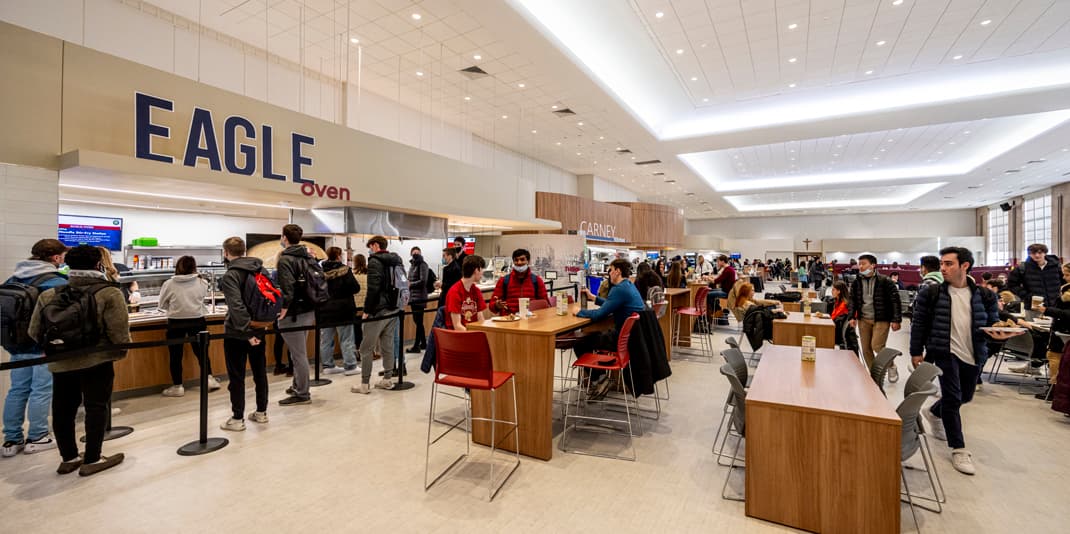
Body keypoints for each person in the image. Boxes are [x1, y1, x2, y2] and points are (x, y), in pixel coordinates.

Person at [29, 245, 130, 476]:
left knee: (63, 409)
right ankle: (92, 458)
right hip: (97, 361)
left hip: (62, 362)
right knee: (96, 407)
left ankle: (69, 458)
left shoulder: (50, 295)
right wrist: (118, 352)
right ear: (98, 265)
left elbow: (35, 332)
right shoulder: (109, 292)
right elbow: (119, 333)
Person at [910, 247, 1006, 476]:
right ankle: (959, 448)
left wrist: (997, 334)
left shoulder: (985, 296)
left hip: (973, 353)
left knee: (966, 396)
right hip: (943, 351)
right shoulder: (931, 294)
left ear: (965, 266)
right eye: (942, 263)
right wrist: (916, 351)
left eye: (949, 264)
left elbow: (992, 323)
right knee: (952, 397)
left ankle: (934, 411)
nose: (943, 268)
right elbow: (919, 323)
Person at [2, 239, 68, 457]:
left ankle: (11, 440)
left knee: (17, 390)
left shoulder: (14, 277)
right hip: (41, 345)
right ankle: (37, 437)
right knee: (41, 390)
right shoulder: (54, 282)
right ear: (56, 258)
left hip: (16, 344)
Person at [218, 237, 270, 432]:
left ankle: (238, 417)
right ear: (244, 250)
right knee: (259, 372)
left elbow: (236, 306)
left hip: (237, 332)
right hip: (259, 327)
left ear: (226, 252)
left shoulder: (231, 275)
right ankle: (261, 412)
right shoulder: (260, 269)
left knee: (237, 375)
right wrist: (256, 329)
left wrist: (247, 332)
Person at [574, 259, 646, 399]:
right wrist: (594, 298)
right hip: (632, 339)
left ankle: (600, 379)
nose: (609, 273)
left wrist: (579, 312)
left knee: (580, 343)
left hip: (621, 341)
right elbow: (612, 304)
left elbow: (599, 315)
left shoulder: (619, 289)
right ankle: (600, 378)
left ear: (617, 271)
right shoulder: (628, 286)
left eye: (610, 270)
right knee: (594, 337)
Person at [158, 255, 219, 397]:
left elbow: (162, 305)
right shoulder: (202, 282)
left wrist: (175, 307)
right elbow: (202, 299)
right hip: (197, 320)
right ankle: (209, 379)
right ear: (194, 267)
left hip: (175, 322)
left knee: (175, 355)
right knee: (202, 352)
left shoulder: (169, 283)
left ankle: (177, 386)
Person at [353, 236, 404, 394]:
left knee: (365, 348)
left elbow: (373, 289)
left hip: (378, 310)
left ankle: (364, 384)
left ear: (375, 245)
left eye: (370, 246)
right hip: (394, 307)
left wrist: (367, 311)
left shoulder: (375, 261)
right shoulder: (397, 259)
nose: (369, 249)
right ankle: (387, 379)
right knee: (387, 345)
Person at [274, 224, 318, 406]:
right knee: (298, 352)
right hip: (308, 309)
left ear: (284, 237)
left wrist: (283, 310)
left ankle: (302, 393)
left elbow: (288, 288)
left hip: (293, 313)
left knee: (298, 355)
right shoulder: (307, 256)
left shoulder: (285, 259)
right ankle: (297, 385)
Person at [849, 254, 903, 380]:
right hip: (863, 318)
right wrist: (851, 316)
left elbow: (895, 300)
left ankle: (891, 365)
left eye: (863, 263)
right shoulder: (857, 281)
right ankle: (875, 375)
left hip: (881, 318)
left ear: (873, 265)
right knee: (866, 349)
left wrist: (896, 319)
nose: (860, 266)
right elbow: (852, 300)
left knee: (877, 346)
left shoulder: (885, 281)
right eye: (859, 264)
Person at [318, 247, 360, 376]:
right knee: (346, 338)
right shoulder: (345, 270)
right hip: (343, 309)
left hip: (324, 310)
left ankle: (328, 365)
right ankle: (350, 365)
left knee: (326, 340)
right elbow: (355, 287)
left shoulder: (319, 271)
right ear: (338, 256)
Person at [1033, 264, 1070, 400]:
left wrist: (1047, 310)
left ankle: (1055, 390)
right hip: (1060, 328)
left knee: (1055, 359)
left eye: (1067, 274)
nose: (1064, 277)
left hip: (1064, 331)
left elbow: (1067, 313)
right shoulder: (1064, 288)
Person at [490, 248, 548, 315]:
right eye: (516, 260)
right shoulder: (504, 281)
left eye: (522, 259)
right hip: (509, 320)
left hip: (531, 320)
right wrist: (497, 305)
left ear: (528, 261)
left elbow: (545, 303)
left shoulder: (537, 280)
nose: (519, 262)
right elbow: (491, 306)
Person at [1007, 243, 1062, 308]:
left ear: (1045, 253)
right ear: (1029, 254)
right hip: (1033, 306)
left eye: (1040, 253)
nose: (1037, 255)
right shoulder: (1022, 268)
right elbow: (1011, 285)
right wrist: (1027, 296)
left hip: (1056, 305)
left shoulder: (1056, 266)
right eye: (1033, 253)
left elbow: (1064, 282)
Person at [445, 255, 489, 330]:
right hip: (457, 337)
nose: (482, 273)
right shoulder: (455, 292)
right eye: (482, 269)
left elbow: (481, 319)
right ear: (476, 270)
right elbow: (457, 326)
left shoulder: (476, 291)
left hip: (472, 333)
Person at [406, 246, 430, 353]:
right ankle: (424, 343)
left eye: (417, 252)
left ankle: (416, 345)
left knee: (418, 322)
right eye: (413, 252)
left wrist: (411, 284)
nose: (415, 254)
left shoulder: (422, 264)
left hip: (419, 297)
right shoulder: (412, 265)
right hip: (413, 297)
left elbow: (423, 281)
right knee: (418, 322)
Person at [707, 255, 736, 325]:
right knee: (709, 291)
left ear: (723, 261)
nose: (717, 263)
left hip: (726, 292)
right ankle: (717, 308)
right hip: (726, 290)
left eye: (718, 261)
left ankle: (717, 310)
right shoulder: (729, 269)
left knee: (707, 294)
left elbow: (716, 281)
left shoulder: (727, 270)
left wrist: (707, 278)